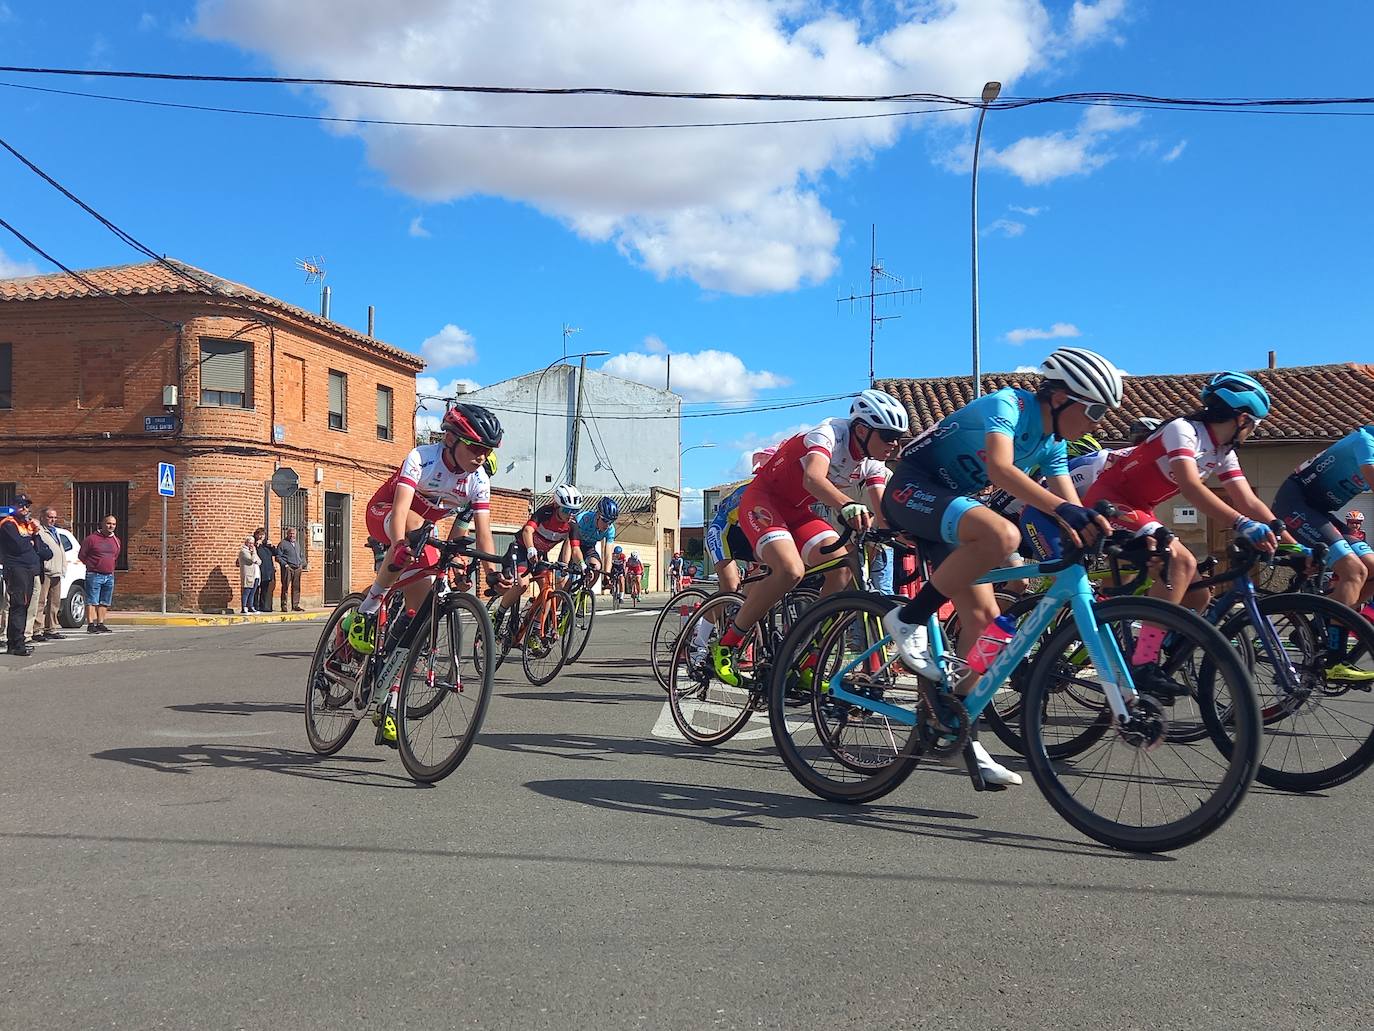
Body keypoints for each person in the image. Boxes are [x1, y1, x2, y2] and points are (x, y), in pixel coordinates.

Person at [880, 348, 1124, 787]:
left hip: (951, 508)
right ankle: (908, 617)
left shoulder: (1054, 444)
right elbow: (1001, 467)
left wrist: (1095, 528)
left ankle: (954, 729)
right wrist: (1066, 513)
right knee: (1002, 536)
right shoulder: (1006, 406)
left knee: (990, 623)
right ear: (1061, 396)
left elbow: (1067, 504)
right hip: (911, 489)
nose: (1098, 422)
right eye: (1094, 410)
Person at [711, 389, 906, 688]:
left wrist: (910, 538)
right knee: (790, 570)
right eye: (889, 436)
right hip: (764, 500)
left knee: (842, 567)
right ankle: (728, 642)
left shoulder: (872, 463)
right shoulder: (829, 433)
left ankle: (808, 657)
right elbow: (812, 478)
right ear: (863, 430)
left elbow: (883, 515)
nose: (895, 445)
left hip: (798, 512)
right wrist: (846, 504)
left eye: (898, 438)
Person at [350, 403, 509, 664]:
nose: (481, 456)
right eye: (475, 447)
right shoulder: (423, 458)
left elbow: (483, 533)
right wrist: (399, 543)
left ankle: (389, 671)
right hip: (385, 514)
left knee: (421, 603)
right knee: (418, 525)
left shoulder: (479, 480)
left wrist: (491, 573)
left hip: (421, 527)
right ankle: (368, 609)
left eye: (487, 450)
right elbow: (401, 509)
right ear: (450, 438)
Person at [1271, 425, 1374, 613]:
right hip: (1294, 506)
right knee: (1354, 571)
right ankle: (1336, 638)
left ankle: (1327, 622)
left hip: (1318, 512)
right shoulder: (1366, 441)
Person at [494, 483, 585, 631]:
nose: (570, 514)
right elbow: (527, 530)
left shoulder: (572, 525)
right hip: (522, 549)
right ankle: (498, 615)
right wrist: (530, 549)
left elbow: (575, 549)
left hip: (541, 555)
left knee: (547, 591)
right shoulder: (546, 512)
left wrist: (582, 564)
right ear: (557, 505)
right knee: (522, 585)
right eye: (566, 510)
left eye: (574, 511)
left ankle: (535, 629)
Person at [2, 494, 51, 656]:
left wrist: (34, 536)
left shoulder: (28, 526)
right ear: (14, 506)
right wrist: (30, 541)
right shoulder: (8, 524)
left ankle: (17, 642)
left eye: (27, 506)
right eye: (21, 505)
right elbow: (18, 546)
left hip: (31, 570)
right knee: (18, 606)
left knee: (25, 607)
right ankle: (16, 643)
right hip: (17, 569)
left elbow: (45, 551)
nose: (25, 509)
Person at [78, 514, 121, 633]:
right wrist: (92, 565)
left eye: (113, 524)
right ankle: (91, 624)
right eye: (108, 523)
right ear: (102, 524)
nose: (111, 526)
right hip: (94, 574)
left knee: (104, 601)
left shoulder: (116, 541)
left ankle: (100, 623)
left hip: (109, 575)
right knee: (92, 600)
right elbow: (82, 555)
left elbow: (115, 556)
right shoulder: (91, 539)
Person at [32, 506, 67, 642]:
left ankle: (51, 628)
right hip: (45, 571)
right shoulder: (40, 530)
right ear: (42, 517)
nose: (52, 520)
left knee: (54, 602)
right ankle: (36, 629)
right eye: (49, 517)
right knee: (40, 601)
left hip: (57, 571)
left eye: (54, 517)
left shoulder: (55, 531)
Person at [572, 497, 619, 586]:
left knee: (597, 568)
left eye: (611, 522)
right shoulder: (583, 519)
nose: (607, 525)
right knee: (565, 582)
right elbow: (568, 540)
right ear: (597, 515)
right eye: (605, 520)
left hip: (589, 548)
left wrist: (607, 575)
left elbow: (608, 554)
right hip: (574, 546)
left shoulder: (610, 530)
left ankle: (584, 594)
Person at [277, 527, 305, 611]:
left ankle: (295, 605)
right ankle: (284, 605)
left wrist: (302, 564)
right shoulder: (283, 543)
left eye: (293, 534)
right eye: (290, 533)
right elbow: (278, 556)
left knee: (296, 587)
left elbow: (301, 555)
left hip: (297, 568)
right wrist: (285, 564)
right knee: (285, 586)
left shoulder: (297, 544)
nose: (292, 535)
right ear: (287, 534)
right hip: (288, 567)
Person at [253, 528, 276, 613]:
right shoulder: (255, 545)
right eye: (259, 535)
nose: (261, 537)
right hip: (259, 570)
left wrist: (271, 546)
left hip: (268, 570)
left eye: (263, 535)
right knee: (256, 589)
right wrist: (256, 545)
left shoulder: (267, 545)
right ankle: (255, 606)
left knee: (265, 589)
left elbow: (276, 553)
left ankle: (264, 606)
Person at [237, 536, 261, 614]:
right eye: (250, 543)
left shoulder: (253, 551)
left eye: (252, 543)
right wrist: (254, 553)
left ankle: (251, 606)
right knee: (247, 590)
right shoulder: (244, 551)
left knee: (253, 592)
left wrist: (255, 557)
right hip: (248, 574)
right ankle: (244, 607)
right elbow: (251, 560)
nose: (251, 545)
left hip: (256, 573)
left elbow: (259, 561)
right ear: (246, 542)